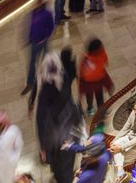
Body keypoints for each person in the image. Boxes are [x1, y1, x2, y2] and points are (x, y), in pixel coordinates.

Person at [35, 54, 82, 183]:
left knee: (58, 166)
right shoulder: (64, 81)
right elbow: (73, 107)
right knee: (67, 164)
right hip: (69, 136)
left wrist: (43, 146)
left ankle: (60, 177)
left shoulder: (45, 90)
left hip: (54, 139)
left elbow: (41, 120)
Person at [78, 38, 112, 115]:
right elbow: (105, 63)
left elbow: (105, 64)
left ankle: (97, 110)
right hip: (90, 83)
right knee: (92, 97)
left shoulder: (86, 58)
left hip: (96, 82)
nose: (102, 48)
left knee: (98, 96)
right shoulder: (86, 59)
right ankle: (91, 108)